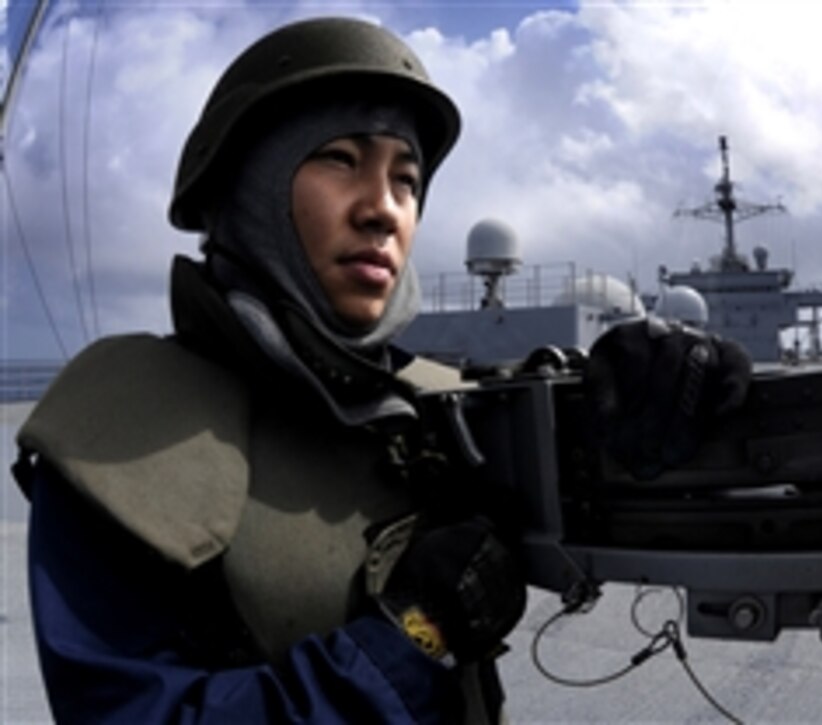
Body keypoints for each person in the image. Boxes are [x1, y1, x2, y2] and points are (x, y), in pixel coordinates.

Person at [13, 17, 526, 724]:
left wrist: (666, 398)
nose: (383, 208)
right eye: (341, 159)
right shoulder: (122, 430)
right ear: (248, 189)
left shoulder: (437, 406)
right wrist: (411, 638)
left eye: (405, 179)